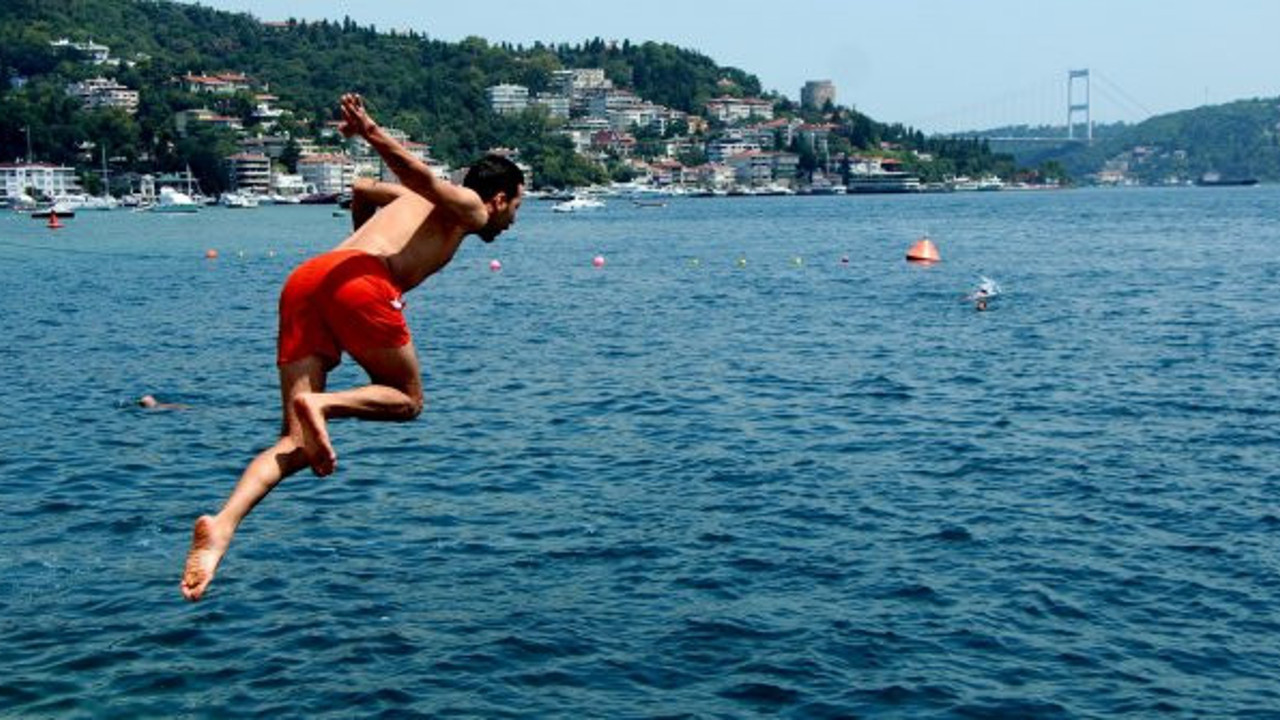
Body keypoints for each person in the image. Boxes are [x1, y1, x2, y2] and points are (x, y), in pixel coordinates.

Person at [181, 93, 525, 602]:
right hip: (361, 282)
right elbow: (425, 178)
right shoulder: (470, 208)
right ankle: (321, 404)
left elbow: (363, 188)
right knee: (407, 401)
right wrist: (372, 134)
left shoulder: (414, 204)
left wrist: (359, 244)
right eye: (517, 206)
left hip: (309, 277)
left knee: (296, 442)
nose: (514, 220)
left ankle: (222, 528)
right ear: (498, 198)